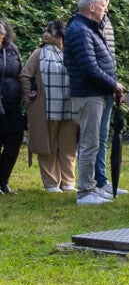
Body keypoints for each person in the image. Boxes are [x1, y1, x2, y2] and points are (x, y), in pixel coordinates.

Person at [64, 0, 121, 206]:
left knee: (97, 141)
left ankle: (95, 186)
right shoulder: (80, 30)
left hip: (98, 93)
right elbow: (89, 67)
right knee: (89, 143)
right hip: (89, 94)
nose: (105, 10)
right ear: (92, 7)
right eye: (103, 7)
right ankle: (85, 191)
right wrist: (113, 84)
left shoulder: (89, 28)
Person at [25, 20, 78, 192]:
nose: (45, 34)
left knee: (68, 146)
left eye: (49, 31)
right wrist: (31, 98)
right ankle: (51, 183)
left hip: (70, 106)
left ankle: (68, 182)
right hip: (46, 107)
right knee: (48, 145)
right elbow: (25, 76)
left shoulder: (72, 53)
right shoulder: (39, 53)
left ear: (60, 35)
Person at [0, 19, 21, 194]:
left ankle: (3, 180)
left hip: (12, 104)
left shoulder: (12, 49)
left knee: (14, 141)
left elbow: (20, 73)